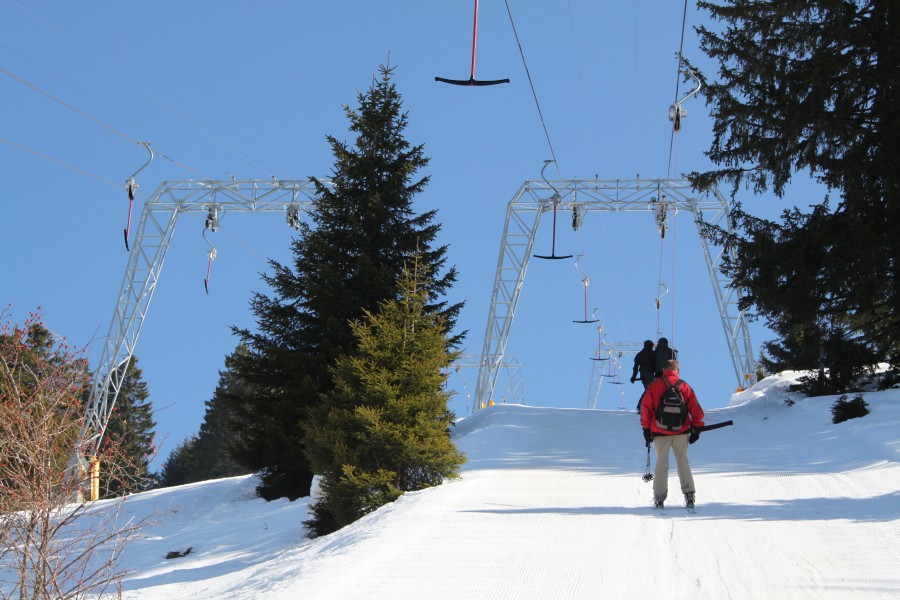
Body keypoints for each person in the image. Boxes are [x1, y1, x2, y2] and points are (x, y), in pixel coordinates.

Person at [640, 359, 704, 509]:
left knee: (661, 464)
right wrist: (697, 428)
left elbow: (646, 408)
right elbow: (696, 409)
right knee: (683, 462)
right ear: (677, 370)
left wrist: (646, 429)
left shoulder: (655, 385)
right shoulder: (684, 386)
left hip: (659, 432)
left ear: (664, 370)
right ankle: (689, 494)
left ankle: (659, 497)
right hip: (681, 431)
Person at [631, 340, 656, 411]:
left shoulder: (639, 354)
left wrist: (633, 377)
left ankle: (645, 407)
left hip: (643, 374)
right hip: (649, 374)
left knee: (648, 390)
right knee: (649, 389)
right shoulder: (653, 354)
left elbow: (635, 367)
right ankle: (640, 406)